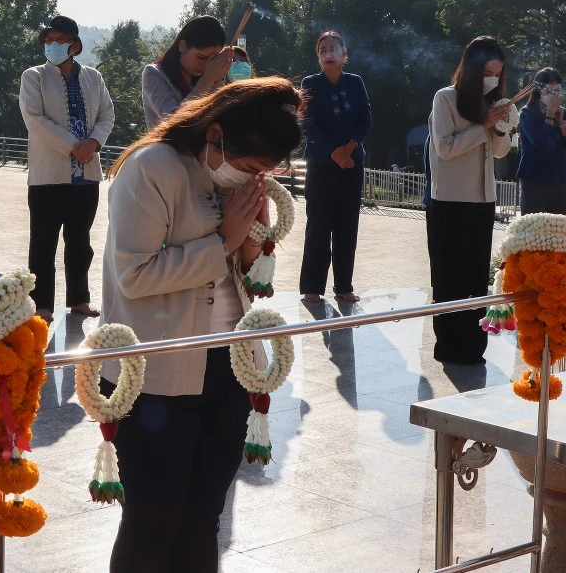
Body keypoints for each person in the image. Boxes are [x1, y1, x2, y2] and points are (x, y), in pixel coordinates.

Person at [100, 77, 303, 573]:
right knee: (153, 519)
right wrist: (228, 240)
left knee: (202, 518)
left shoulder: (230, 178)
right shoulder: (152, 168)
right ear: (215, 134)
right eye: (250, 167)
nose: (251, 178)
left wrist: (251, 243)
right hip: (157, 376)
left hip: (229, 367)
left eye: (264, 171)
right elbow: (135, 274)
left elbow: (242, 275)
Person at [19, 14, 115, 323]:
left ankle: (79, 299)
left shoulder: (92, 78)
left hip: (85, 177)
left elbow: (107, 115)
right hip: (48, 176)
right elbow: (35, 119)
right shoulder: (33, 76)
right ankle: (42, 304)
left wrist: (94, 143)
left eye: (60, 40)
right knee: (43, 244)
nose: (53, 45)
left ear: (75, 45)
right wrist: (75, 145)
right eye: (49, 40)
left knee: (80, 243)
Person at [427, 36, 512, 365]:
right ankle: (448, 346)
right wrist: (483, 125)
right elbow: (445, 148)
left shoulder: (493, 102)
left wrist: (502, 127)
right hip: (450, 202)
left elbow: (501, 152)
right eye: (487, 72)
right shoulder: (445, 99)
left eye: (497, 73)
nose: (492, 78)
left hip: (482, 201)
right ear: (473, 69)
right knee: (449, 278)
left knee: (476, 277)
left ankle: (474, 347)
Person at [299, 31, 371, 304]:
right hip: (320, 162)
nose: (328, 54)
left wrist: (349, 148)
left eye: (333, 49)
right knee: (318, 223)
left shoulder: (355, 83)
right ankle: (312, 287)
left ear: (345, 54)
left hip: (352, 162)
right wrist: (335, 153)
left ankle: (344, 286)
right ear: (318, 57)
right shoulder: (310, 83)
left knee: (347, 224)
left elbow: (365, 119)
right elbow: (308, 124)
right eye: (322, 50)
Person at [142, 15, 232, 129]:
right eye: (201, 57)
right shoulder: (153, 74)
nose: (206, 66)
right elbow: (174, 122)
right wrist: (207, 79)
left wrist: (218, 81)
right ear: (182, 46)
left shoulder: (212, 78)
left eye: (212, 60)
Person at [516, 67, 566, 215]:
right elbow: (540, 143)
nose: (554, 96)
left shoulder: (563, 113)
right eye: (549, 92)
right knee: (534, 230)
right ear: (539, 91)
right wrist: (550, 115)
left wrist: (563, 125)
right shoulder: (527, 114)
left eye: (557, 91)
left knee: (556, 231)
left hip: (558, 180)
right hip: (534, 180)